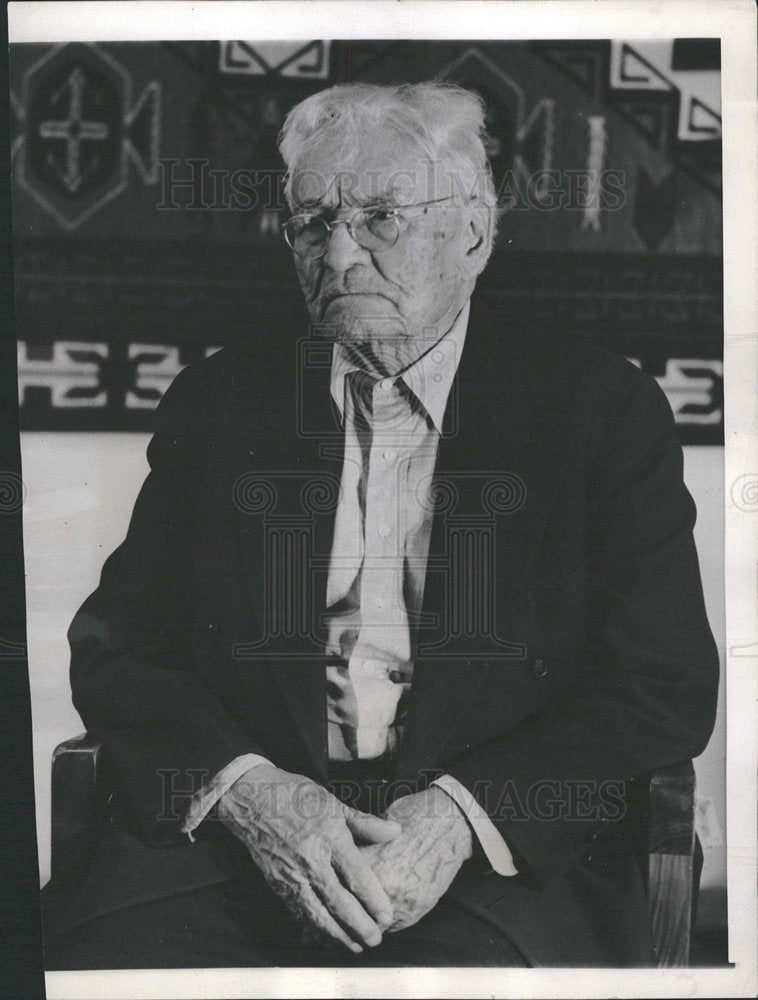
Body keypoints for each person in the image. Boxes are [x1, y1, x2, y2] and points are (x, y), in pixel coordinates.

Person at [43, 82, 718, 969]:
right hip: (240, 849)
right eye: (312, 222)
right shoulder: (223, 402)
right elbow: (118, 646)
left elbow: (660, 684)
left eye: (381, 217)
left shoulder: (600, 410)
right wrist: (255, 795)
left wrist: (458, 819)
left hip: (501, 858)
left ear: (473, 231)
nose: (341, 251)